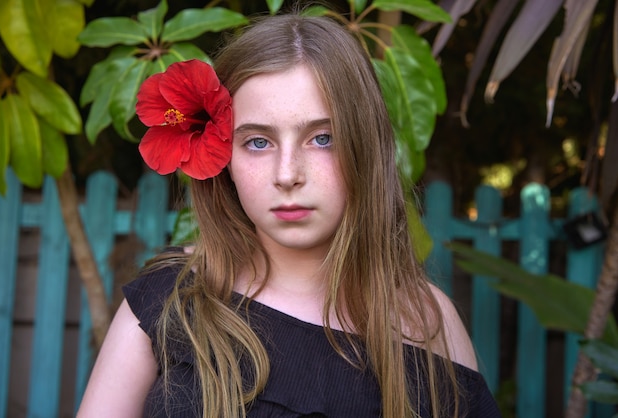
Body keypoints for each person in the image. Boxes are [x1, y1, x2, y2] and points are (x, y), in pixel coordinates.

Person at [77, 13, 501, 418]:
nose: (287, 175)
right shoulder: (168, 297)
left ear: (365, 145)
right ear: (224, 156)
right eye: (258, 142)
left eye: (322, 138)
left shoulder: (426, 322)